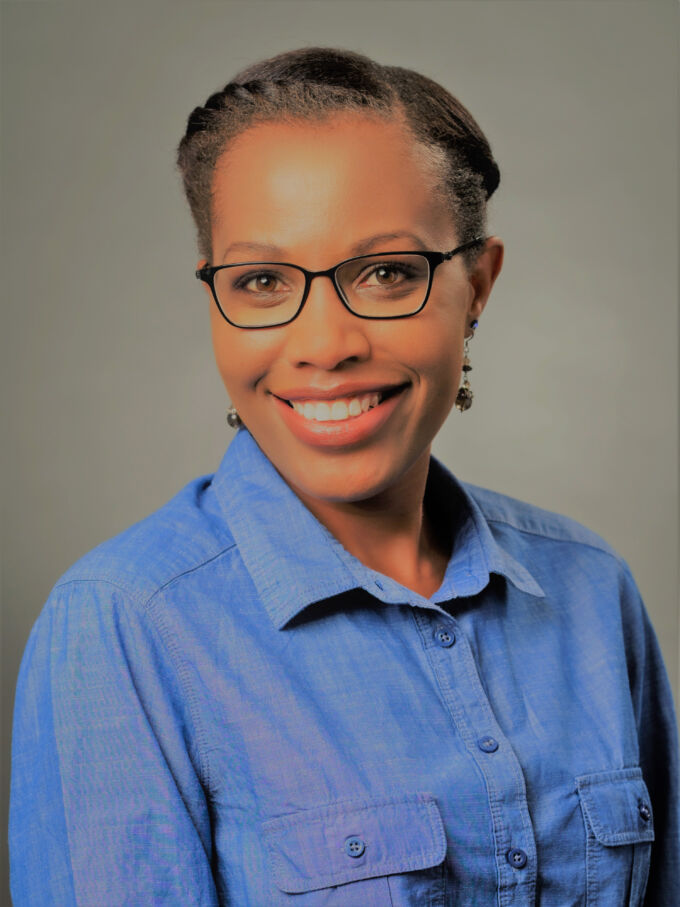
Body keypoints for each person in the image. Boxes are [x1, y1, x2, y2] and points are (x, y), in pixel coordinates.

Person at [9, 46, 678, 906]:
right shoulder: (124, 626)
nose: (326, 344)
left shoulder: (594, 590)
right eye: (259, 280)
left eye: (388, 272)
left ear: (478, 283)